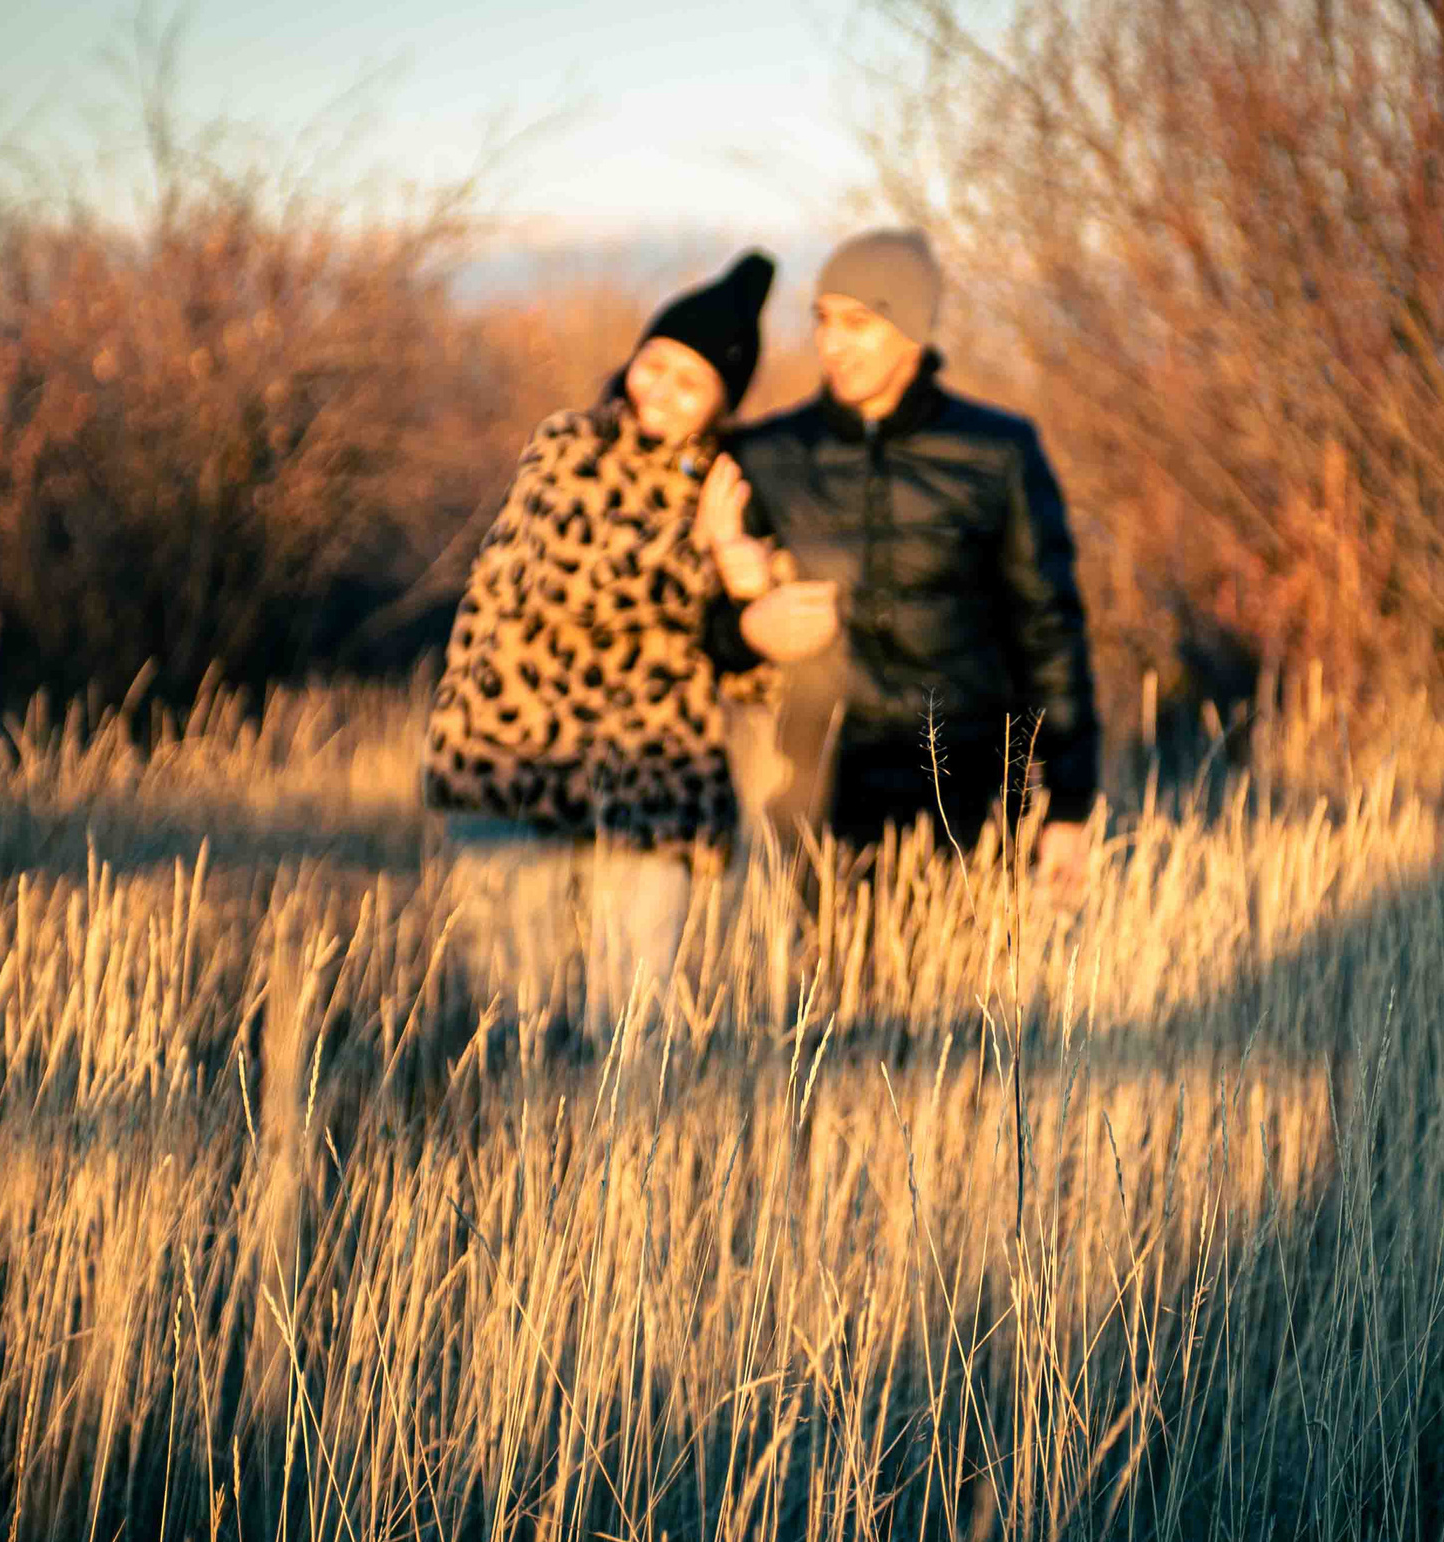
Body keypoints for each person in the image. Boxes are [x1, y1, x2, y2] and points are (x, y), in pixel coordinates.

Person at [422, 251, 781, 1032]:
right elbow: (561, 582)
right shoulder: (567, 447)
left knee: (634, 1028)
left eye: (691, 382)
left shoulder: (732, 487)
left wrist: (754, 589)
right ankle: (501, 1150)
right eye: (655, 363)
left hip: (659, 775)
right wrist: (713, 557)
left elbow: (752, 668)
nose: (660, 389)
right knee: (503, 1018)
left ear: (722, 402)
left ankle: (614, 1156)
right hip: (516, 761)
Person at [695, 228, 1100, 895]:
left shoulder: (998, 451)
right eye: (822, 320)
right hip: (817, 797)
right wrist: (745, 623)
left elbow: (1049, 628)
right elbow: (705, 630)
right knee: (829, 996)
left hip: (970, 793)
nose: (831, 343)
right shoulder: (766, 456)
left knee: (963, 996)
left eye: (858, 323)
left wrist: (1071, 803)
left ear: (911, 329)